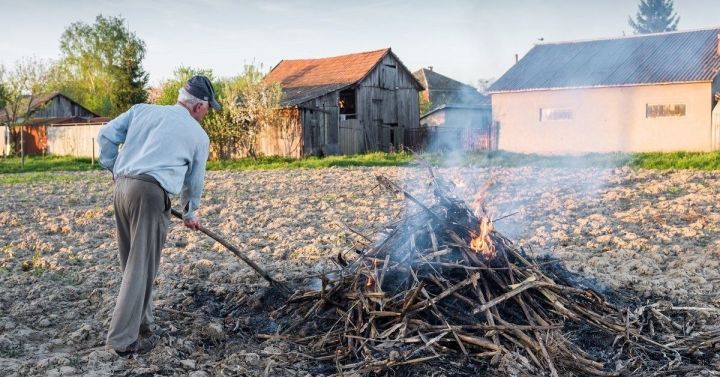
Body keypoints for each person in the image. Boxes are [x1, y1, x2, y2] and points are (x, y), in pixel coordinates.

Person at [97, 76, 220, 356]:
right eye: (209, 107)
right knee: (141, 267)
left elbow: (104, 134)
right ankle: (122, 341)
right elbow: (194, 182)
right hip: (151, 195)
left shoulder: (142, 110)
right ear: (200, 106)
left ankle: (144, 325)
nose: (208, 112)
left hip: (123, 187)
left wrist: (112, 168)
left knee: (132, 262)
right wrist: (191, 213)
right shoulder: (198, 135)